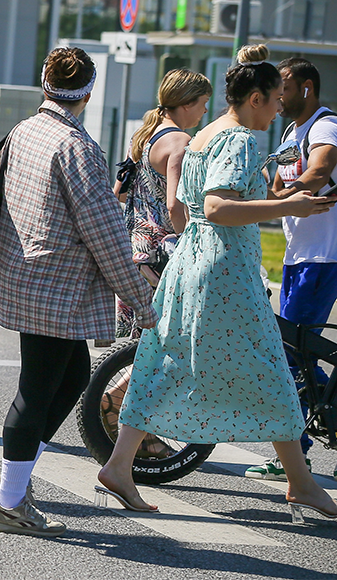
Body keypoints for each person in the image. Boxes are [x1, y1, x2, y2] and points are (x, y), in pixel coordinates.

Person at [98, 45, 337, 521]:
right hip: (224, 267)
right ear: (253, 98)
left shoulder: (204, 133)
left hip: (194, 260)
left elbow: (198, 207)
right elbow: (217, 207)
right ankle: (301, 482)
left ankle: (120, 464)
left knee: (165, 359)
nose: (277, 110)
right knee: (270, 366)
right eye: (273, 100)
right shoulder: (242, 139)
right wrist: (291, 206)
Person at [0, 47, 157, 537]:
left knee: (73, 374)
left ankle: (11, 485)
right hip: (57, 285)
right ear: (89, 90)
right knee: (36, 389)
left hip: (22, 275)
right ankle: (10, 500)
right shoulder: (77, 147)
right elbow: (103, 231)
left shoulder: (24, 131)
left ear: (44, 84)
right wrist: (141, 302)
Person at [103, 70, 212, 459]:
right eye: (201, 103)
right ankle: (116, 407)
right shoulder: (180, 141)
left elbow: (118, 192)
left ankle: (127, 420)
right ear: (186, 103)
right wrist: (192, 243)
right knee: (167, 345)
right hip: (161, 254)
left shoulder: (146, 135)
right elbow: (175, 206)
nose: (204, 111)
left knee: (148, 344)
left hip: (136, 248)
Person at [246, 57, 337, 481]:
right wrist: (276, 193)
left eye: (284, 86)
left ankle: (294, 455)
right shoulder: (288, 132)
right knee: (294, 351)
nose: (277, 95)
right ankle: (299, 443)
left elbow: (320, 170)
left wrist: (291, 194)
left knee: (291, 353)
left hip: (324, 257)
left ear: (307, 88)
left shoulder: (323, 125)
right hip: (299, 256)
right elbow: (278, 184)